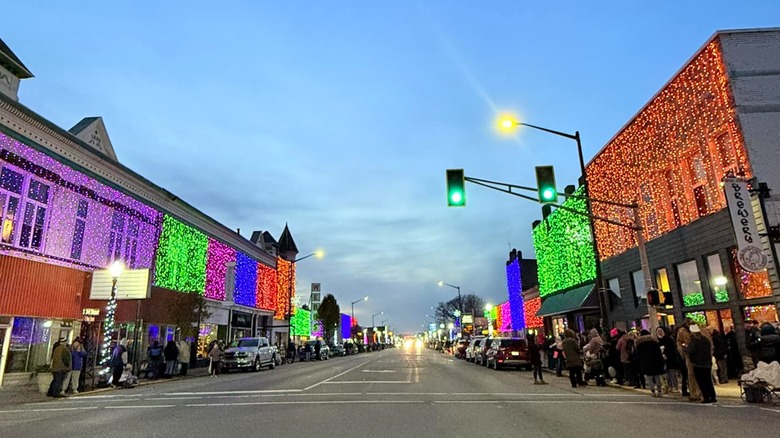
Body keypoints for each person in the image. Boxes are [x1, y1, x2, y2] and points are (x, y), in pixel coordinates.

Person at [686, 324, 717, 404]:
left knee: (701, 381)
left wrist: (686, 349)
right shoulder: (705, 340)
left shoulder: (694, 341)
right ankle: (713, 396)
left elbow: (691, 351)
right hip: (707, 362)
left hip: (697, 363)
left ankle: (706, 397)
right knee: (708, 380)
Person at [677, 318, 701, 401]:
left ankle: (701, 391)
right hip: (689, 355)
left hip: (698, 354)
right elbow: (679, 343)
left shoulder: (698, 330)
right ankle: (694, 393)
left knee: (699, 374)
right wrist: (683, 352)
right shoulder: (682, 331)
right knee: (691, 374)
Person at [636, 330, 665, 397]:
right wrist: (661, 361)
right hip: (655, 361)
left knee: (649, 377)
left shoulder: (640, 344)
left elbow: (638, 355)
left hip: (646, 362)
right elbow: (659, 353)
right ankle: (659, 390)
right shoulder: (654, 342)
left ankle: (653, 391)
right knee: (657, 376)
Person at [656, 327, 678, 393]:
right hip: (663, 360)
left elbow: (673, 350)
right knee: (667, 374)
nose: (659, 333)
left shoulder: (669, 339)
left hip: (671, 359)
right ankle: (669, 387)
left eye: (661, 331)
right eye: (658, 331)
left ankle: (674, 387)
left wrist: (666, 355)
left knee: (672, 373)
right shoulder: (659, 341)